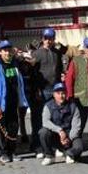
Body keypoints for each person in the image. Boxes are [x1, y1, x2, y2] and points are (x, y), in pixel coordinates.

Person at [0, 40, 29, 163]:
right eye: (4, 50)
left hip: (14, 101)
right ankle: (3, 152)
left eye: (9, 50)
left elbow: (20, 82)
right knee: (1, 128)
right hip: (1, 103)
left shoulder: (15, 64)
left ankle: (12, 151)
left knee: (14, 127)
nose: (7, 52)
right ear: (0, 52)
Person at [29, 28, 63, 157]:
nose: (49, 41)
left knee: (54, 118)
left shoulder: (56, 53)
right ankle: (37, 146)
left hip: (54, 90)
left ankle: (54, 146)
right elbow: (33, 74)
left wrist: (60, 89)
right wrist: (36, 90)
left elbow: (59, 72)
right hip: (40, 90)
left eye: (51, 38)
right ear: (42, 39)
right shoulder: (36, 54)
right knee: (38, 119)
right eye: (46, 38)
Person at [38, 82, 83, 166]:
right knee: (43, 132)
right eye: (58, 93)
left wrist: (68, 139)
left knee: (79, 146)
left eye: (63, 93)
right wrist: (59, 131)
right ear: (54, 94)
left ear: (66, 94)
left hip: (69, 136)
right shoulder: (48, 106)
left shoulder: (73, 106)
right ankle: (49, 156)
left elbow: (76, 126)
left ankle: (69, 153)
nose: (61, 96)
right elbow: (45, 122)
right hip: (55, 135)